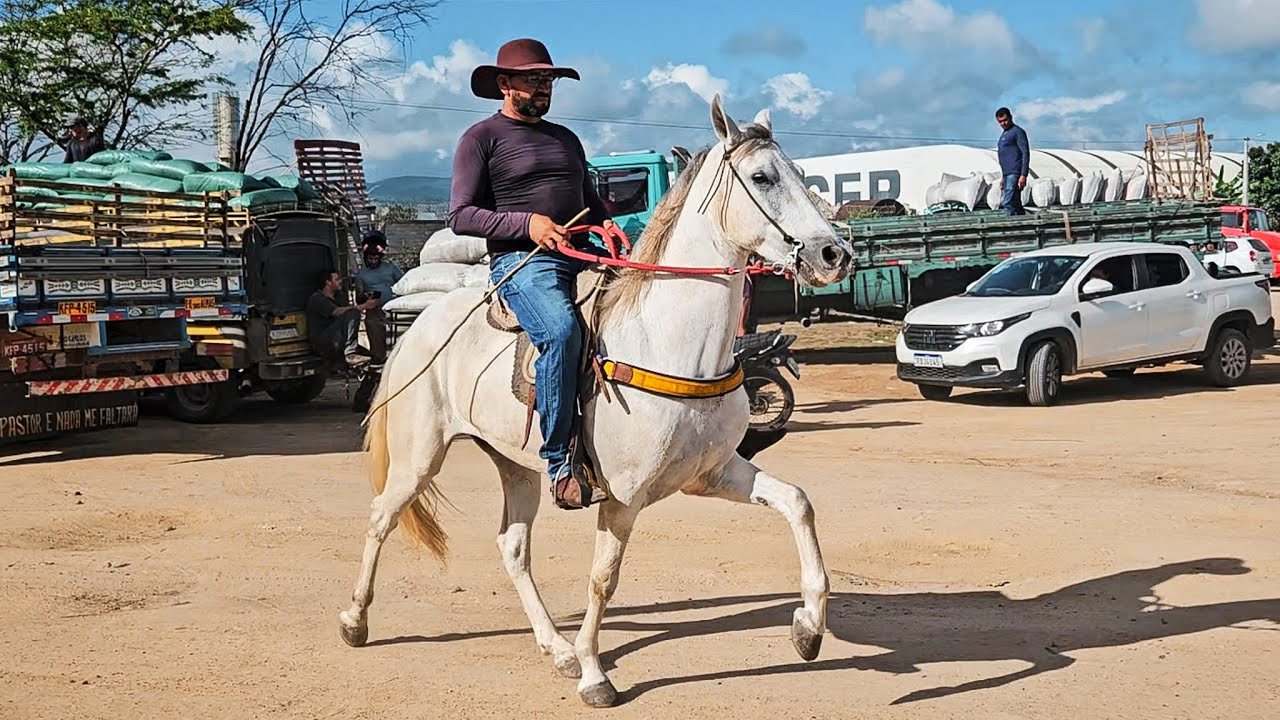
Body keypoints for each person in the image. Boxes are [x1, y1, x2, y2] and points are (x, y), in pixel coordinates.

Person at [448, 37, 615, 510]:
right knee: (562, 332)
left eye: (548, 80)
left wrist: (605, 223)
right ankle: (560, 460)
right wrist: (528, 224)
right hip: (522, 262)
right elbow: (460, 214)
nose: (543, 88)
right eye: (533, 79)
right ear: (504, 84)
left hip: (581, 252)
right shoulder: (481, 138)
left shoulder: (566, 139)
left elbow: (591, 198)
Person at [353, 230, 404, 364]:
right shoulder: (361, 275)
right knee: (377, 348)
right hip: (374, 313)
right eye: (370, 259)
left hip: (394, 312)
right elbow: (359, 299)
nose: (373, 261)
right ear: (365, 257)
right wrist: (365, 297)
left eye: (376, 258)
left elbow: (404, 284)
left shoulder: (391, 268)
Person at [307, 270, 376, 367]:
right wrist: (364, 306)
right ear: (328, 282)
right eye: (337, 279)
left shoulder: (339, 297)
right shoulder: (317, 299)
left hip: (338, 338)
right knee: (353, 313)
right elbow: (337, 312)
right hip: (324, 342)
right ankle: (350, 353)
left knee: (372, 357)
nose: (340, 281)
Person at [995, 107, 1029, 216]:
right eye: (1000, 122)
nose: (1003, 123)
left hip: (1014, 172)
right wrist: (1003, 177)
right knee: (1015, 202)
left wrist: (1023, 175)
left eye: (1005, 120)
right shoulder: (1004, 135)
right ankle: (1024, 224)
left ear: (1010, 117)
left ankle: (1006, 227)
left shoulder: (1017, 132)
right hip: (1007, 174)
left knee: (1008, 202)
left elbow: (1025, 153)